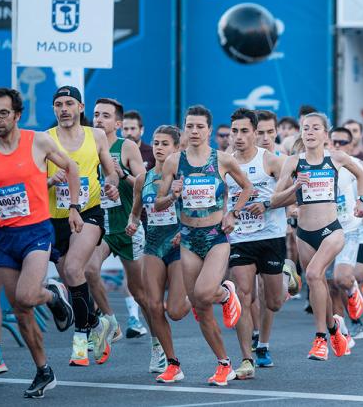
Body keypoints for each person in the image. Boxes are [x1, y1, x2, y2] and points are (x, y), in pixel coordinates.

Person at [0, 86, 78, 399]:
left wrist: (75, 207)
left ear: (17, 115)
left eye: (3, 113)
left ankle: (52, 295)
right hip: (3, 236)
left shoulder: (36, 140)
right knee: (21, 310)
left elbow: (71, 166)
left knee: (26, 296)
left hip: (37, 230)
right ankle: (43, 371)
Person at [155, 105, 250, 386]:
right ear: (185, 129)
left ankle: (224, 292)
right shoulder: (174, 162)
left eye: (199, 127)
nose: (194, 131)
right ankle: (224, 364)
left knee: (204, 292)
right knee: (200, 306)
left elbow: (246, 188)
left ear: (209, 130)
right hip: (188, 239)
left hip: (215, 237)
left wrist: (233, 213)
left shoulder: (222, 160)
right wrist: (172, 195)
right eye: (190, 126)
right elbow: (158, 202)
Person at [274, 113, 363, 363]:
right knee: (319, 284)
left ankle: (320, 339)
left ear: (326, 134)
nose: (311, 132)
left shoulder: (336, 158)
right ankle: (335, 328)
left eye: (316, 128)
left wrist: (362, 201)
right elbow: (275, 197)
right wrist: (295, 187)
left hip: (332, 230)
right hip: (304, 233)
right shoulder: (293, 162)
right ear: (301, 133)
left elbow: (362, 175)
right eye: (306, 128)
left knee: (314, 274)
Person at [45, 86, 120, 367]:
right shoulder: (45, 140)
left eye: (69, 103)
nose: (63, 109)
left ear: (80, 107)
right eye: (58, 104)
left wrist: (111, 186)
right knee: (69, 276)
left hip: (89, 211)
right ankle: (97, 323)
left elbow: (110, 172)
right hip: (55, 217)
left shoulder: (96, 135)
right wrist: (51, 181)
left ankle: (81, 339)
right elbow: (35, 183)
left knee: (75, 269)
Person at [224, 108, 288, 378]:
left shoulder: (271, 161)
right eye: (234, 131)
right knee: (243, 292)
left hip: (271, 236)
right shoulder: (224, 163)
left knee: (273, 303)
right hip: (240, 238)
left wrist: (266, 203)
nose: (238, 136)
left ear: (254, 132)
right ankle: (246, 359)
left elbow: (295, 194)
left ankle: (286, 272)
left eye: (244, 131)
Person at [127, 125, 190, 382]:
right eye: (156, 143)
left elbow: (199, 210)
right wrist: (132, 222)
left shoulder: (183, 177)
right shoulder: (143, 178)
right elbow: (135, 211)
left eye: (165, 143)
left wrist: (184, 230)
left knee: (174, 310)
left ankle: (198, 298)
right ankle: (172, 362)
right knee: (153, 307)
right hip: (153, 243)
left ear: (176, 148)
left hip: (178, 244)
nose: (159, 147)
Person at [92, 97, 150, 343]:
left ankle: (158, 346)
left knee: (139, 293)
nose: (99, 119)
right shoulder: (87, 146)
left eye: (105, 115)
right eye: (96, 114)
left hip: (128, 226)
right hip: (100, 227)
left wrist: (122, 173)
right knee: (86, 269)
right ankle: (110, 321)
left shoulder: (126, 147)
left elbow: (144, 184)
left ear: (117, 123)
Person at [325, 125, 363, 342]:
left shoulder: (356, 165)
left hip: (351, 229)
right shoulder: (321, 164)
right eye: (334, 141)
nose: (337, 145)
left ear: (351, 145)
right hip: (325, 230)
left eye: (342, 142)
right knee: (331, 283)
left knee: (342, 279)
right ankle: (343, 329)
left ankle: (353, 291)